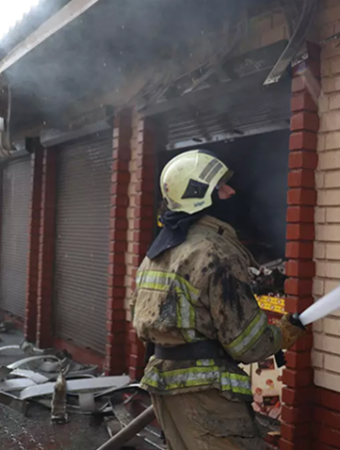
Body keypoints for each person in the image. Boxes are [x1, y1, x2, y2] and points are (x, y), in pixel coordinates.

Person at [130, 150, 306, 450]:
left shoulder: (159, 252)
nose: (232, 192)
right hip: (206, 394)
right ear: (201, 196)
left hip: (165, 386)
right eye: (222, 187)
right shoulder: (215, 252)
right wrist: (283, 334)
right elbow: (248, 345)